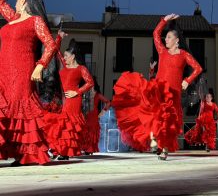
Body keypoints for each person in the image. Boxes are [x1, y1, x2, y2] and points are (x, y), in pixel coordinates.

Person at [113, 13, 202, 160]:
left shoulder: (184, 55)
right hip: (158, 91)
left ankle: (164, 149)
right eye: (165, 37)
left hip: (173, 93)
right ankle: (155, 142)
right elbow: (155, 33)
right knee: (153, 117)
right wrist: (164, 20)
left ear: (177, 40)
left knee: (167, 122)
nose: (165, 39)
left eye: (168, 37)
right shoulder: (162, 51)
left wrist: (188, 80)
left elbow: (198, 68)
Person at [0, 0, 58, 166]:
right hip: (3, 71)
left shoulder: (35, 21)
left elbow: (51, 44)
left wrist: (40, 65)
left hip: (22, 70)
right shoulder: (12, 18)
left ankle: (25, 154)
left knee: (19, 112)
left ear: (25, 1)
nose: (15, 2)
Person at [43, 39, 94, 160]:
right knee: (60, 124)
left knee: (67, 126)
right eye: (64, 56)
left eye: (66, 56)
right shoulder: (64, 65)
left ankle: (64, 152)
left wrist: (76, 92)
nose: (64, 58)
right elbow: (55, 50)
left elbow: (90, 82)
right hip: (62, 99)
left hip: (73, 99)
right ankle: (60, 150)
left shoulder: (81, 68)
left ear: (73, 56)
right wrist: (59, 38)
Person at [81, 77, 111, 155]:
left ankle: (89, 149)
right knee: (85, 131)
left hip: (93, 115)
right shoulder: (84, 93)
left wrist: (103, 112)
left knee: (92, 132)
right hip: (85, 115)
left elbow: (108, 102)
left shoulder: (97, 94)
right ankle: (85, 148)